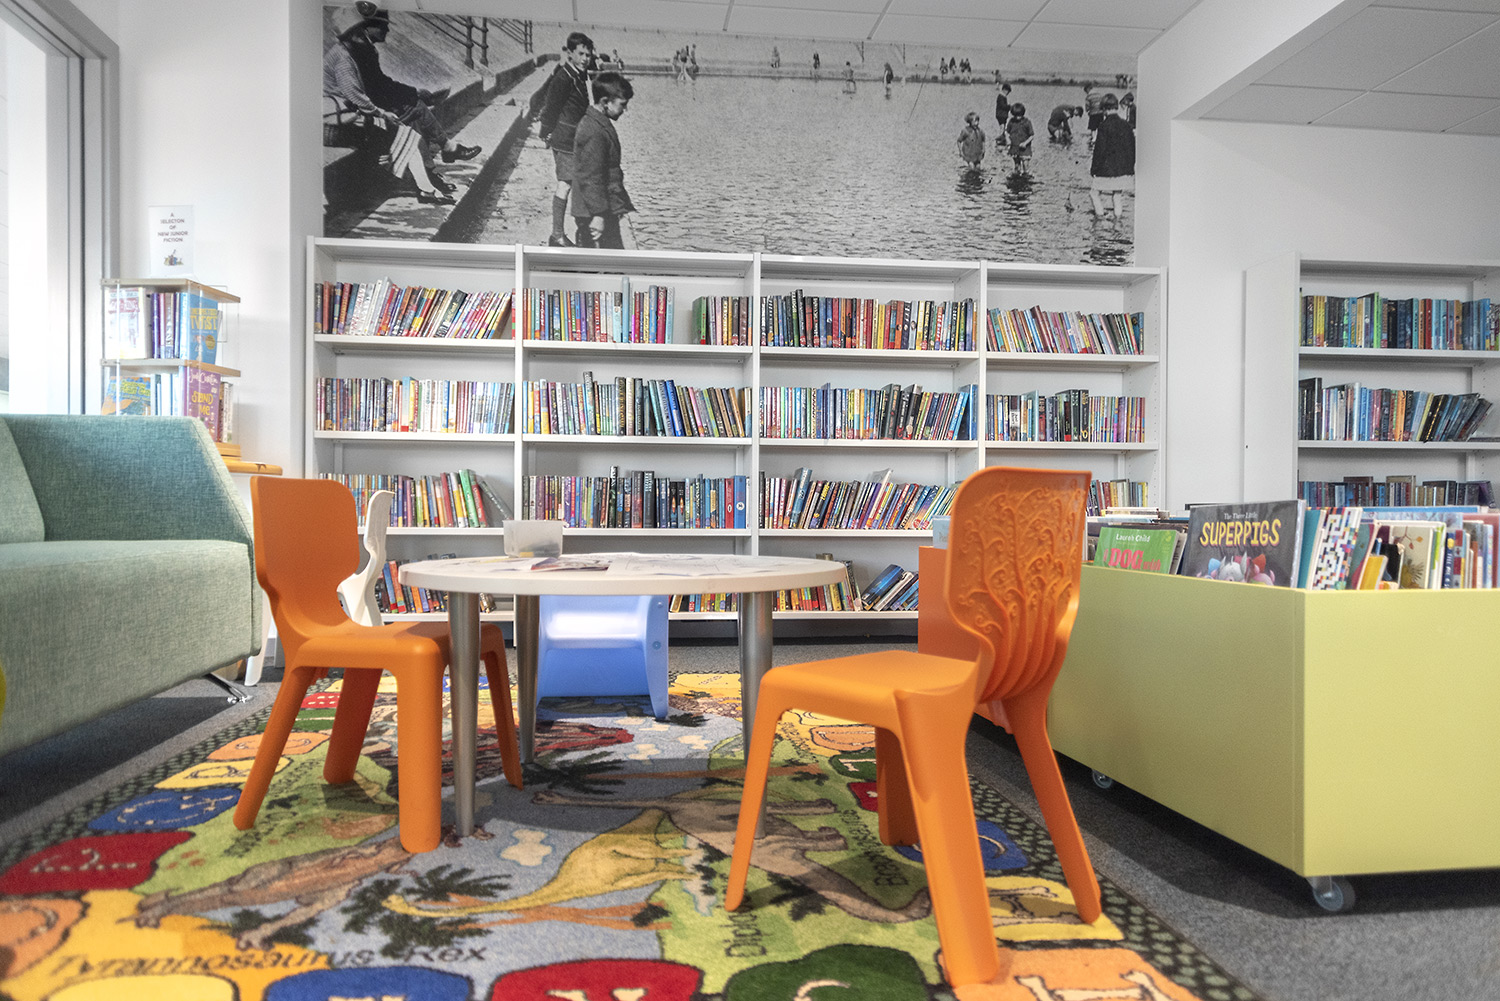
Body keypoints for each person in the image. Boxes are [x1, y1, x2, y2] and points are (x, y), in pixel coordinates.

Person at [323, 6, 479, 199]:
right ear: (347, 35)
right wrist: (384, 111)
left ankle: (432, 172)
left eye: (361, 29)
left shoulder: (358, 49)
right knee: (411, 115)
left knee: (414, 109)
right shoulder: (346, 57)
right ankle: (434, 169)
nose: (362, 33)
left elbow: (377, 84)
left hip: (351, 112)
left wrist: (411, 94)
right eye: (357, 31)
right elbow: (357, 94)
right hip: (338, 119)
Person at [537, 31, 596, 246]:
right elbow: (550, 108)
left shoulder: (578, 75)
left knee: (571, 183)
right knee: (564, 184)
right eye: (580, 54)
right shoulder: (563, 77)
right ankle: (557, 235)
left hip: (574, 139)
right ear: (569, 53)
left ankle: (568, 233)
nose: (585, 59)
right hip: (565, 139)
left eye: (588, 55)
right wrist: (545, 132)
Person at [571, 71, 636, 250]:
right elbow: (590, 177)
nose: (625, 110)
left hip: (601, 208)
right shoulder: (594, 131)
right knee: (600, 260)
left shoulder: (596, 123)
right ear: (605, 102)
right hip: (593, 213)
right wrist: (599, 215)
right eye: (622, 104)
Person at [1089, 93, 1135, 220]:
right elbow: (1132, 148)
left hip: (1107, 170)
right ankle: (1117, 222)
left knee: (1094, 193)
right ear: (1116, 107)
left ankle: (1100, 218)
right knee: (1117, 195)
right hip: (1123, 169)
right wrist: (1130, 167)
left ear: (1104, 109)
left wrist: (1094, 169)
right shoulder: (1126, 125)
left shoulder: (1103, 126)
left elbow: (1099, 151)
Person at [1005, 101, 1034, 174]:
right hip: (1015, 147)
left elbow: (1031, 136)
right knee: (1017, 165)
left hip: (1025, 148)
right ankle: (1017, 177)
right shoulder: (1011, 121)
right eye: (1015, 116)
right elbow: (1006, 132)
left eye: (1019, 115)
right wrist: (1008, 140)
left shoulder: (1027, 122)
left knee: (1025, 165)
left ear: (1022, 114)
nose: (1017, 117)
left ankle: (1026, 177)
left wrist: (1025, 143)